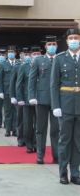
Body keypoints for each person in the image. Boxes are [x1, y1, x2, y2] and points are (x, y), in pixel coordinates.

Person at [51, 28, 80, 185]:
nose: (74, 40)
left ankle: (75, 173)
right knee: (65, 141)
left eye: (76, 37)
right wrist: (56, 105)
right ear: (67, 41)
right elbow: (54, 84)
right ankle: (63, 173)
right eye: (71, 38)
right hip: (66, 106)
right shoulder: (60, 59)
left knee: (78, 142)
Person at [28, 36, 59, 165]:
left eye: (54, 44)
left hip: (56, 100)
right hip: (41, 99)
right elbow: (32, 79)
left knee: (55, 130)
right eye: (49, 44)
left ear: (57, 45)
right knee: (40, 129)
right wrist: (32, 96)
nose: (51, 46)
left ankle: (56, 156)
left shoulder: (60, 59)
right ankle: (40, 155)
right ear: (45, 46)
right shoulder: (39, 60)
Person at [17, 46, 41, 153]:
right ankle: (29, 144)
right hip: (27, 98)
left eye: (38, 54)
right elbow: (19, 84)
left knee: (39, 123)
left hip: (40, 98)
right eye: (34, 54)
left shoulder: (44, 64)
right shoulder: (24, 66)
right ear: (30, 56)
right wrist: (20, 98)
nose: (36, 56)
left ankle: (36, 143)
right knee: (27, 123)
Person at [10, 47, 29, 147]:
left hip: (30, 96)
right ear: (21, 55)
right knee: (20, 119)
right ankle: (21, 138)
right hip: (20, 96)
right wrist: (13, 96)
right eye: (24, 54)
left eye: (27, 54)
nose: (26, 56)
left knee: (30, 120)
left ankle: (29, 139)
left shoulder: (33, 65)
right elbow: (13, 83)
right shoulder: (17, 66)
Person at [0, 45, 19, 136]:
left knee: (16, 111)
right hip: (6, 91)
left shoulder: (19, 63)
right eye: (9, 52)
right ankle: (7, 129)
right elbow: (0, 79)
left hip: (16, 91)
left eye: (12, 52)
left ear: (15, 53)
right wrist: (0, 91)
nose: (11, 53)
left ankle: (14, 129)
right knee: (7, 111)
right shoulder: (3, 64)